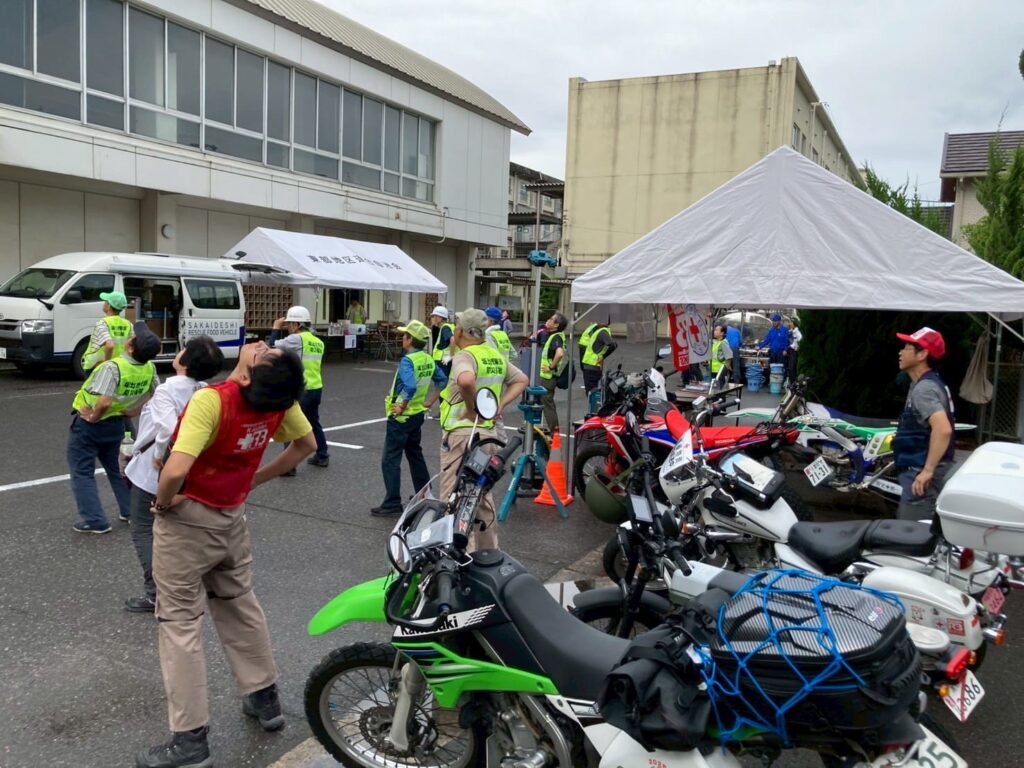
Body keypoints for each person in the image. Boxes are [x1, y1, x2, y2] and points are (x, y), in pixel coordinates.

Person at [137, 342, 314, 768]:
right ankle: (264, 697)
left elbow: (176, 468)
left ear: (248, 374)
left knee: (179, 623)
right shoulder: (279, 398)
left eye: (265, 353)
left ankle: (190, 740)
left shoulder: (212, 401)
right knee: (238, 603)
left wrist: (164, 502)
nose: (261, 345)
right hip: (232, 517)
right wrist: (252, 480)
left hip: (189, 522)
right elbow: (305, 444)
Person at [123, 336, 224, 613]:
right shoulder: (207, 390)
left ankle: (155, 593)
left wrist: (159, 454)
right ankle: (183, 584)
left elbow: (168, 429)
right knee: (176, 530)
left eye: (184, 350)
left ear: (185, 361)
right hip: (189, 471)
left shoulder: (167, 391)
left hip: (154, 473)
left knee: (144, 530)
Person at [438, 309, 527, 550]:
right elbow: (521, 380)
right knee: (480, 494)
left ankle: (459, 557)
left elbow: (466, 381)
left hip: (462, 436)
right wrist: (499, 405)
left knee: (455, 498)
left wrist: (472, 407)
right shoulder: (493, 355)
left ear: (461, 331)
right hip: (487, 435)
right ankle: (489, 554)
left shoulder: (465, 356)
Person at [68, 321, 161, 534]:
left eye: (132, 338)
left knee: (82, 471)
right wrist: (133, 411)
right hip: (117, 423)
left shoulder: (112, 367)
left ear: (130, 346)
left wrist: (92, 417)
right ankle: (130, 511)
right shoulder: (149, 368)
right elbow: (157, 395)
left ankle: (95, 520)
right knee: (118, 469)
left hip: (91, 425)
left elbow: (104, 402)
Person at [372, 319, 448, 516]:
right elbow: (442, 381)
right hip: (417, 415)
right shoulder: (427, 358)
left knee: (390, 459)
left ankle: (392, 503)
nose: (402, 338)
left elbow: (410, 386)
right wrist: (431, 401)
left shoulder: (408, 360)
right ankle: (424, 494)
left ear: (410, 340)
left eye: (404, 335)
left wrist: (402, 405)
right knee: (415, 455)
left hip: (402, 417)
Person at [892, 327, 955, 522]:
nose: (900, 352)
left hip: (921, 475)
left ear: (922, 355)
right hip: (923, 471)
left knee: (911, 532)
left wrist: (927, 470)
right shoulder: (928, 384)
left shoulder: (924, 389)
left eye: (906, 348)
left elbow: (943, 430)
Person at [271, 306, 329, 469]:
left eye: (290, 324)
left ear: (297, 324)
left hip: (301, 389)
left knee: (290, 424)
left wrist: (275, 328)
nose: (288, 327)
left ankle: (289, 466)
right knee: (313, 422)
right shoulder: (318, 341)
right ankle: (322, 455)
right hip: (316, 387)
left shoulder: (297, 339)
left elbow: (272, 347)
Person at [81, 290, 133, 373]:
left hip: (98, 366)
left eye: (106, 301)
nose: (104, 303)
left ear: (109, 306)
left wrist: (106, 366)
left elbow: (110, 345)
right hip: (119, 366)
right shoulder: (128, 324)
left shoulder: (103, 323)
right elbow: (132, 346)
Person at [537, 312, 568, 432]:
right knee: (547, 403)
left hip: (548, 377)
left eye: (551, 319)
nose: (548, 320)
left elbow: (559, 353)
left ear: (556, 325)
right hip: (548, 377)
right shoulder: (555, 335)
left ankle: (554, 432)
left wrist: (550, 367)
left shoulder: (556, 337)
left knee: (547, 405)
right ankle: (553, 431)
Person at [578, 320, 618, 399]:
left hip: (592, 366)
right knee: (593, 392)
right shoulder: (600, 330)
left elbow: (612, 345)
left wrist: (603, 356)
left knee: (592, 394)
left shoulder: (602, 332)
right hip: (591, 365)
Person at [429, 305, 455, 376]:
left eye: (433, 316)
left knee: (442, 382)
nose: (431, 318)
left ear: (439, 318)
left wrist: (451, 355)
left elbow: (453, 339)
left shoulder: (445, 328)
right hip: (445, 361)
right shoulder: (450, 327)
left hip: (443, 362)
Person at [786, 317, 802, 384]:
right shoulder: (791, 331)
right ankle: (791, 382)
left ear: (794, 323)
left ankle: (793, 383)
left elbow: (800, 340)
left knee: (792, 368)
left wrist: (797, 347)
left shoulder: (797, 332)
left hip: (794, 351)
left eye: (791, 322)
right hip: (790, 350)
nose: (789, 324)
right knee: (790, 368)